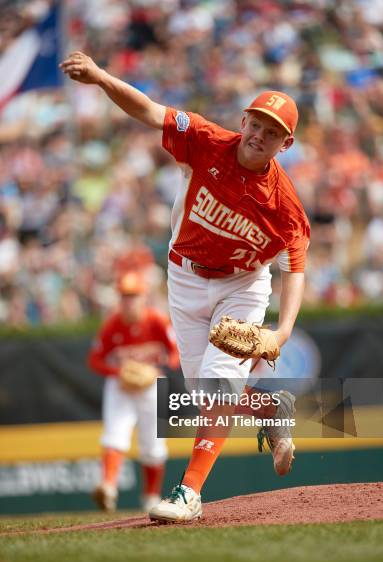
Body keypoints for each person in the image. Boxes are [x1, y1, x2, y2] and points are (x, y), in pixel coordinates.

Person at [61, 52, 310, 522]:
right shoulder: (205, 140)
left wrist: (282, 332)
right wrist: (99, 78)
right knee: (206, 395)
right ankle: (270, 409)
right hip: (184, 275)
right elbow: (150, 111)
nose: (260, 134)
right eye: (256, 123)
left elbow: (294, 270)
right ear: (244, 119)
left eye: (272, 131)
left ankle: (189, 493)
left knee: (217, 390)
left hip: (242, 285)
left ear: (286, 142)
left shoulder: (285, 206)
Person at [88, 270, 179, 513]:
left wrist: (158, 368)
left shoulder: (156, 320)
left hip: (153, 386)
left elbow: (176, 353)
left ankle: (150, 496)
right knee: (114, 435)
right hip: (121, 388)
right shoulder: (112, 325)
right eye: (125, 296)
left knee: (153, 444)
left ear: (143, 296)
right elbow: (94, 360)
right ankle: (108, 487)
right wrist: (117, 372)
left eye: (134, 296)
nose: (129, 301)